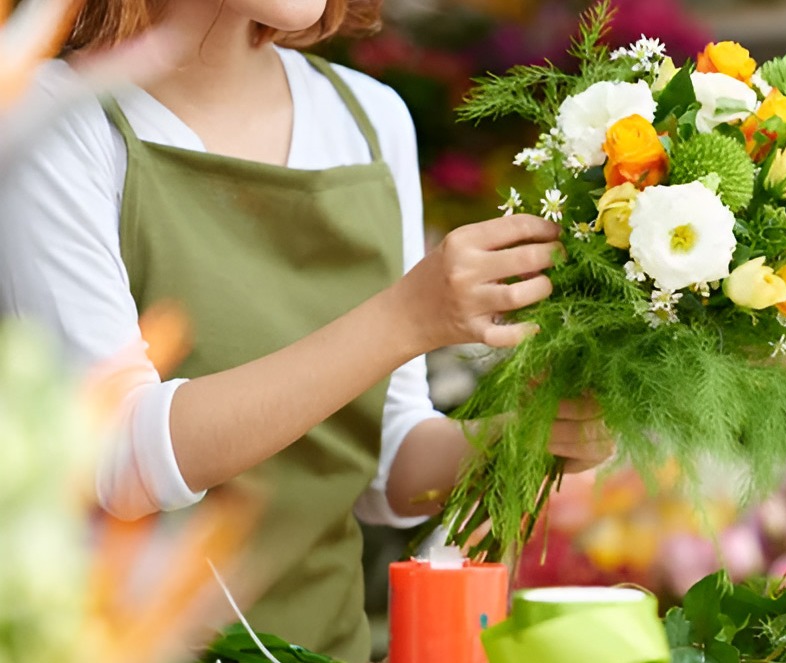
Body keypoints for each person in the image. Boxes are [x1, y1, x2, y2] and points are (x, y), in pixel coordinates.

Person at [0, 1, 613, 661]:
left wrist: (523, 435)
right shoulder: (53, 119)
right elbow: (114, 458)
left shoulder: (370, 118)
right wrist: (406, 317)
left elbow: (389, 460)